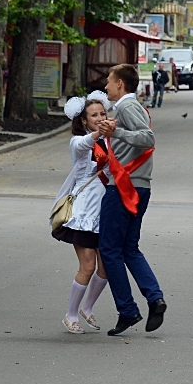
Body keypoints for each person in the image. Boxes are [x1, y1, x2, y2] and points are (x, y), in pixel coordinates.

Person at [99, 64, 166, 336]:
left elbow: (146, 138)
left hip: (125, 187)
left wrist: (117, 133)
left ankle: (127, 310)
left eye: (109, 81)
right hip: (138, 186)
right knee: (129, 247)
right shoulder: (127, 108)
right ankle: (154, 297)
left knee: (110, 249)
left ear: (120, 84)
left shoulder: (127, 106)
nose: (106, 86)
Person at [52, 92, 112, 334]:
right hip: (84, 213)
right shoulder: (79, 142)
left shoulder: (111, 141)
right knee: (87, 266)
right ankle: (71, 314)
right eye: (94, 115)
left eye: (102, 114)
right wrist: (101, 132)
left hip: (105, 211)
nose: (99, 118)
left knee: (107, 265)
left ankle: (88, 307)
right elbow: (87, 143)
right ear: (84, 121)